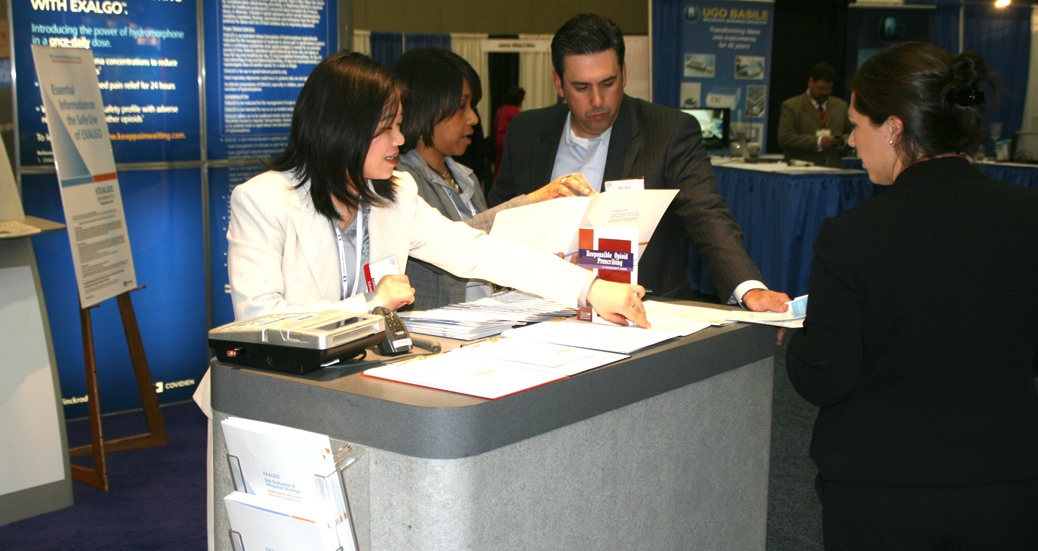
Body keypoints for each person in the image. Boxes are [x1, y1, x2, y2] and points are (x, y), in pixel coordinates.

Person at [785, 42, 1038, 549]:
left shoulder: (852, 235)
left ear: (895, 127)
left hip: (880, 492)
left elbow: (825, 376)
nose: (853, 140)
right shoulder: (1028, 215)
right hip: (1008, 486)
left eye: (859, 124)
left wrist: (798, 341)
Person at [226, 51, 645, 326]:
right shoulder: (263, 201)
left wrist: (588, 288)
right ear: (345, 130)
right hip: (279, 392)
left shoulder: (396, 194)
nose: (400, 140)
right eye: (387, 128)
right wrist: (369, 303)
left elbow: (479, 251)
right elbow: (257, 320)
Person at [488, 13, 789, 315]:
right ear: (558, 83)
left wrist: (748, 287)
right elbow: (499, 218)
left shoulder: (668, 131)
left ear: (624, 73)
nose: (597, 101)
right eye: (581, 88)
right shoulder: (526, 131)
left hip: (642, 312)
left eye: (608, 83)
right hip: (540, 308)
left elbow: (706, 214)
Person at [390, 48, 593, 310]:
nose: (474, 118)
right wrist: (533, 201)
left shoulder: (467, 178)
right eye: (461, 106)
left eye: (472, 105)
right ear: (427, 107)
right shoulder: (402, 184)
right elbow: (460, 244)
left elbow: (495, 252)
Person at [777, 62, 853, 167]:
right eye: (821, 88)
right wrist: (818, 141)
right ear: (811, 82)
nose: (825, 93)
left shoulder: (842, 106)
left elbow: (854, 133)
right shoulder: (791, 106)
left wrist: (842, 141)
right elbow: (785, 138)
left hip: (833, 170)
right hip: (801, 171)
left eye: (829, 89)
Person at [493, 86, 525, 182]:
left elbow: (495, 123)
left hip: (497, 140)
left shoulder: (501, 109)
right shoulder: (516, 112)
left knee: (498, 167)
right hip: (507, 142)